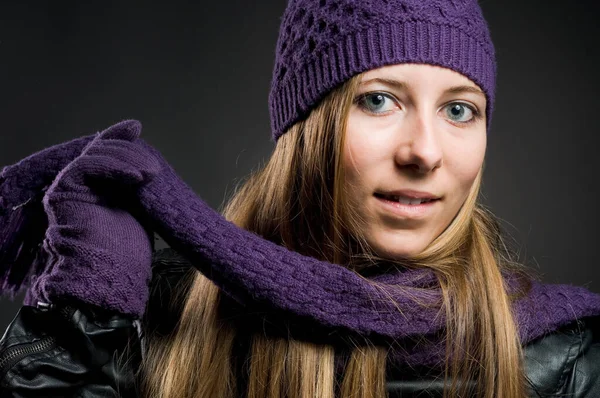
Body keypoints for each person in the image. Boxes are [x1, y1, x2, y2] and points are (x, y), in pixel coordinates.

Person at [1, 1, 600, 397]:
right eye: (379, 100)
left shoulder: (562, 356)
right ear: (306, 127)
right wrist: (86, 312)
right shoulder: (159, 318)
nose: (424, 152)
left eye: (459, 109)